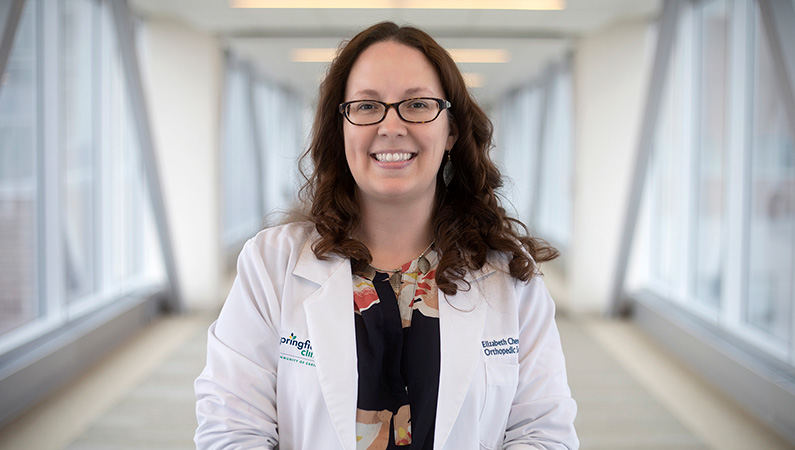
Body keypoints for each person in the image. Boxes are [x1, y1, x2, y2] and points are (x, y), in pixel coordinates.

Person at [195, 21, 578, 450]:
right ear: (341, 128)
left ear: (450, 130)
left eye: (417, 105)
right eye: (366, 106)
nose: (391, 126)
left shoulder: (510, 275)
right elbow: (231, 427)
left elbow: (543, 432)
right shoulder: (271, 264)